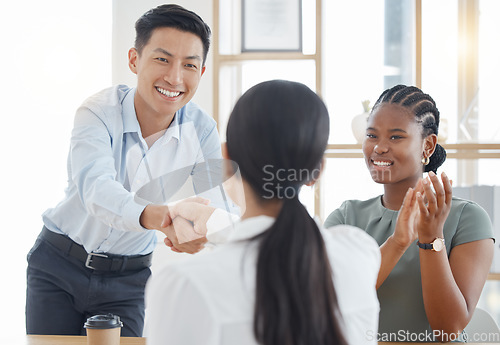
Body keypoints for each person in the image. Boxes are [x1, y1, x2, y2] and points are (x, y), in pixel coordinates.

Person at [26, 4, 221, 337]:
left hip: (128, 280)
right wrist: (164, 218)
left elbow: (217, 200)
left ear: (201, 73)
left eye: (189, 65)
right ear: (134, 60)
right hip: (58, 265)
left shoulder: (203, 130)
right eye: (162, 59)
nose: (175, 78)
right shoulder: (98, 112)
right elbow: (97, 190)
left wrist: (196, 232)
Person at [145, 80, 381, 345]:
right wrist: (211, 223)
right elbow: (273, 236)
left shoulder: (183, 286)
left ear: (227, 159)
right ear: (318, 170)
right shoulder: (359, 254)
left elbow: (261, 239)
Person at [324, 84, 495, 342]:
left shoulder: (468, 219)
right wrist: (398, 242)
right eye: (372, 135)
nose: (379, 148)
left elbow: (447, 329)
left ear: (427, 146)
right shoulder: (346, 218)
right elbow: (329, 304)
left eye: (395, 137)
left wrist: (431, 239)